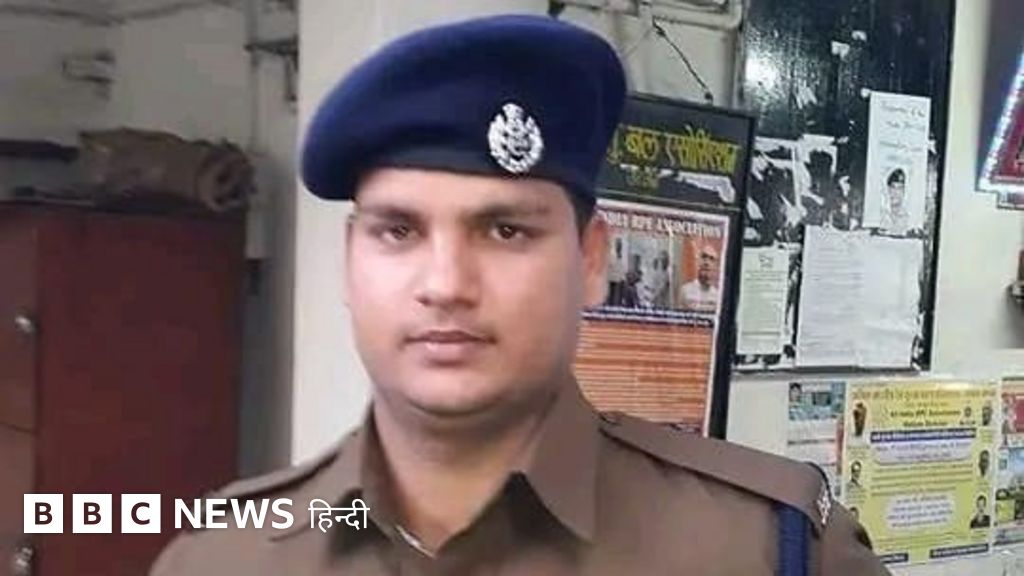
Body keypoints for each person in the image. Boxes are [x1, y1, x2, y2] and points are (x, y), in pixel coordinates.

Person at [149, 14, 888, 575]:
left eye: (505, 231)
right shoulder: (225, 556)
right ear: (350, 262)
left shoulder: (767, 548)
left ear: (591, 258)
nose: (445, 285)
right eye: (399, 231)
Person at [679, 243, 720, 312]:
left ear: (716, 266)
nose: (707, 263)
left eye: (711, 259)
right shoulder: (685, 290)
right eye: (704, 257)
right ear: (698, 261)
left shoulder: (718, 296)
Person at [879, 168, 909, 235]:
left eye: (899, 188)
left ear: (904, 191)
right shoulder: (883, 216)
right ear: (888, 189)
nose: (896, 192)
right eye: (893, 187)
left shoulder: (907, 219)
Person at [606, 236, 627, 306]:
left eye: (620, 245)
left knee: (616, 302)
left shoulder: (622, 257)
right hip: (611, 282)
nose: (619, 246)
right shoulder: (611, 255)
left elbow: (622, 271)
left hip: (619, 283)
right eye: (618, 244)